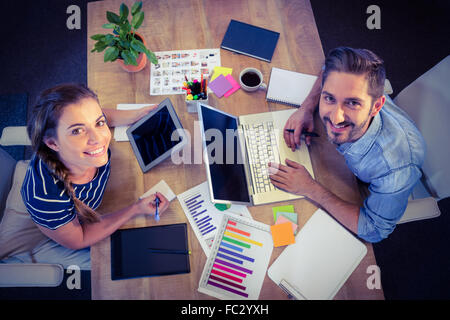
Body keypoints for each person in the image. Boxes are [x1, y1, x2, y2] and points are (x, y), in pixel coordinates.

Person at [268, 47, 426, 243]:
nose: (335, 117)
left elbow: (374, 230)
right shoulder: (349, 78)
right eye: (329, 98)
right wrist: (306, 108)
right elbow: (327, 70)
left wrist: (310, 188)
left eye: (352, 103)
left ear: (376, 106)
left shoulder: (395, 171)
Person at [18, 83, 169, 268]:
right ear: (53, 143)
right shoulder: (48, 199)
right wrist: (135, 209)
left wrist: (136, 115)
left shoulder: (86, 151)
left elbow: (99, 115)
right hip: (74, 226)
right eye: (77, 131)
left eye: (99, 123)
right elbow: (78, 239)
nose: (98, 138)